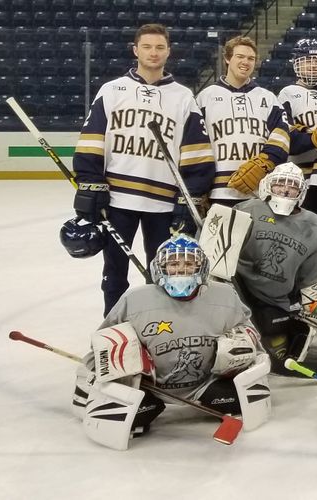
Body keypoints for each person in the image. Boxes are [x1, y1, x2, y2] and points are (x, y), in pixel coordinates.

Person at [74, 234, 269, 450]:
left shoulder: (224, 296)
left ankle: (207, 395)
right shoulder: (135, 300)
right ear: (161, 267)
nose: (181, 270)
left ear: (201, 267)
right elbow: (102, 342)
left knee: (236, 399)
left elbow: (250, 334)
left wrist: (239, 346)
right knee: (137, 411)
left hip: (206, 384)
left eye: (189, 264)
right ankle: (133, 400)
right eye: (174, 263)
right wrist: (113, 362)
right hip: (151, 387)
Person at [73, 23, 217, 314]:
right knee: (114, 272)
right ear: (135, 49)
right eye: (147, 46)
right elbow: (92, 140)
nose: (153, 53)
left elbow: (196, 153)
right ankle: (115, 326)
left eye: (160, 47)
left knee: (165, 270)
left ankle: (162, 327)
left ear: (169, 52)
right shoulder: (112, 91)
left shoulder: (183, 96)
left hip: (163, 203)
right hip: (118, 199)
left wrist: (187, 198)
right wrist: (91, 183)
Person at [229, 164, 317, 373]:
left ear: (302, 192)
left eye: (293, 187)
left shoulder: (314, 223)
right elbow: (217, 255)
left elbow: (315, 279)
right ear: (268, 185)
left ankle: (292, 331)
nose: (285, 190)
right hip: (239, 292)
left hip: (277, 299)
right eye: (280, 184)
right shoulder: (247, 209)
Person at [260, 38, 317, 250]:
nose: (313, 65)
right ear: (296, 64)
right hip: (296, 181)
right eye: (307, 61)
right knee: (292, 242)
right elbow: (289, 141)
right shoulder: (286, 94)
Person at [198, 35, 290, 208]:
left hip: (259, 192)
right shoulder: (205, 97)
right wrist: (200, 188)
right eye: (240, 57)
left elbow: (282, 136)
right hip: (218, 191)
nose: (245, 62)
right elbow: (197, 143)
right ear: (227, 58)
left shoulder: (268, 98)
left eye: (251, 59)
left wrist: (265, 162)